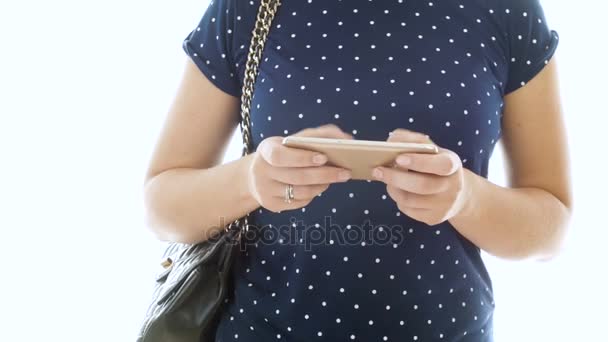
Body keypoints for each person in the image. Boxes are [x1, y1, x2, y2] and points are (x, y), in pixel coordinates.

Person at [143, 0, 572, 340]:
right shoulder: (251, 7)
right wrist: (249, 180)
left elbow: (551, 226)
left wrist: (465, 198)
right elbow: (161, 205)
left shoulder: (507, 9)